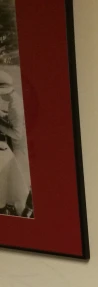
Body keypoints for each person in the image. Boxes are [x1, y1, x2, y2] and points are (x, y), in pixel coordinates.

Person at [0, 69, 31, 214]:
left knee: (18, 178)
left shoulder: (14, 106)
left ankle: (21, 209)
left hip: (20, 146)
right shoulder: (15, 99)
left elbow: (17, 134)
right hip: (18, 144)